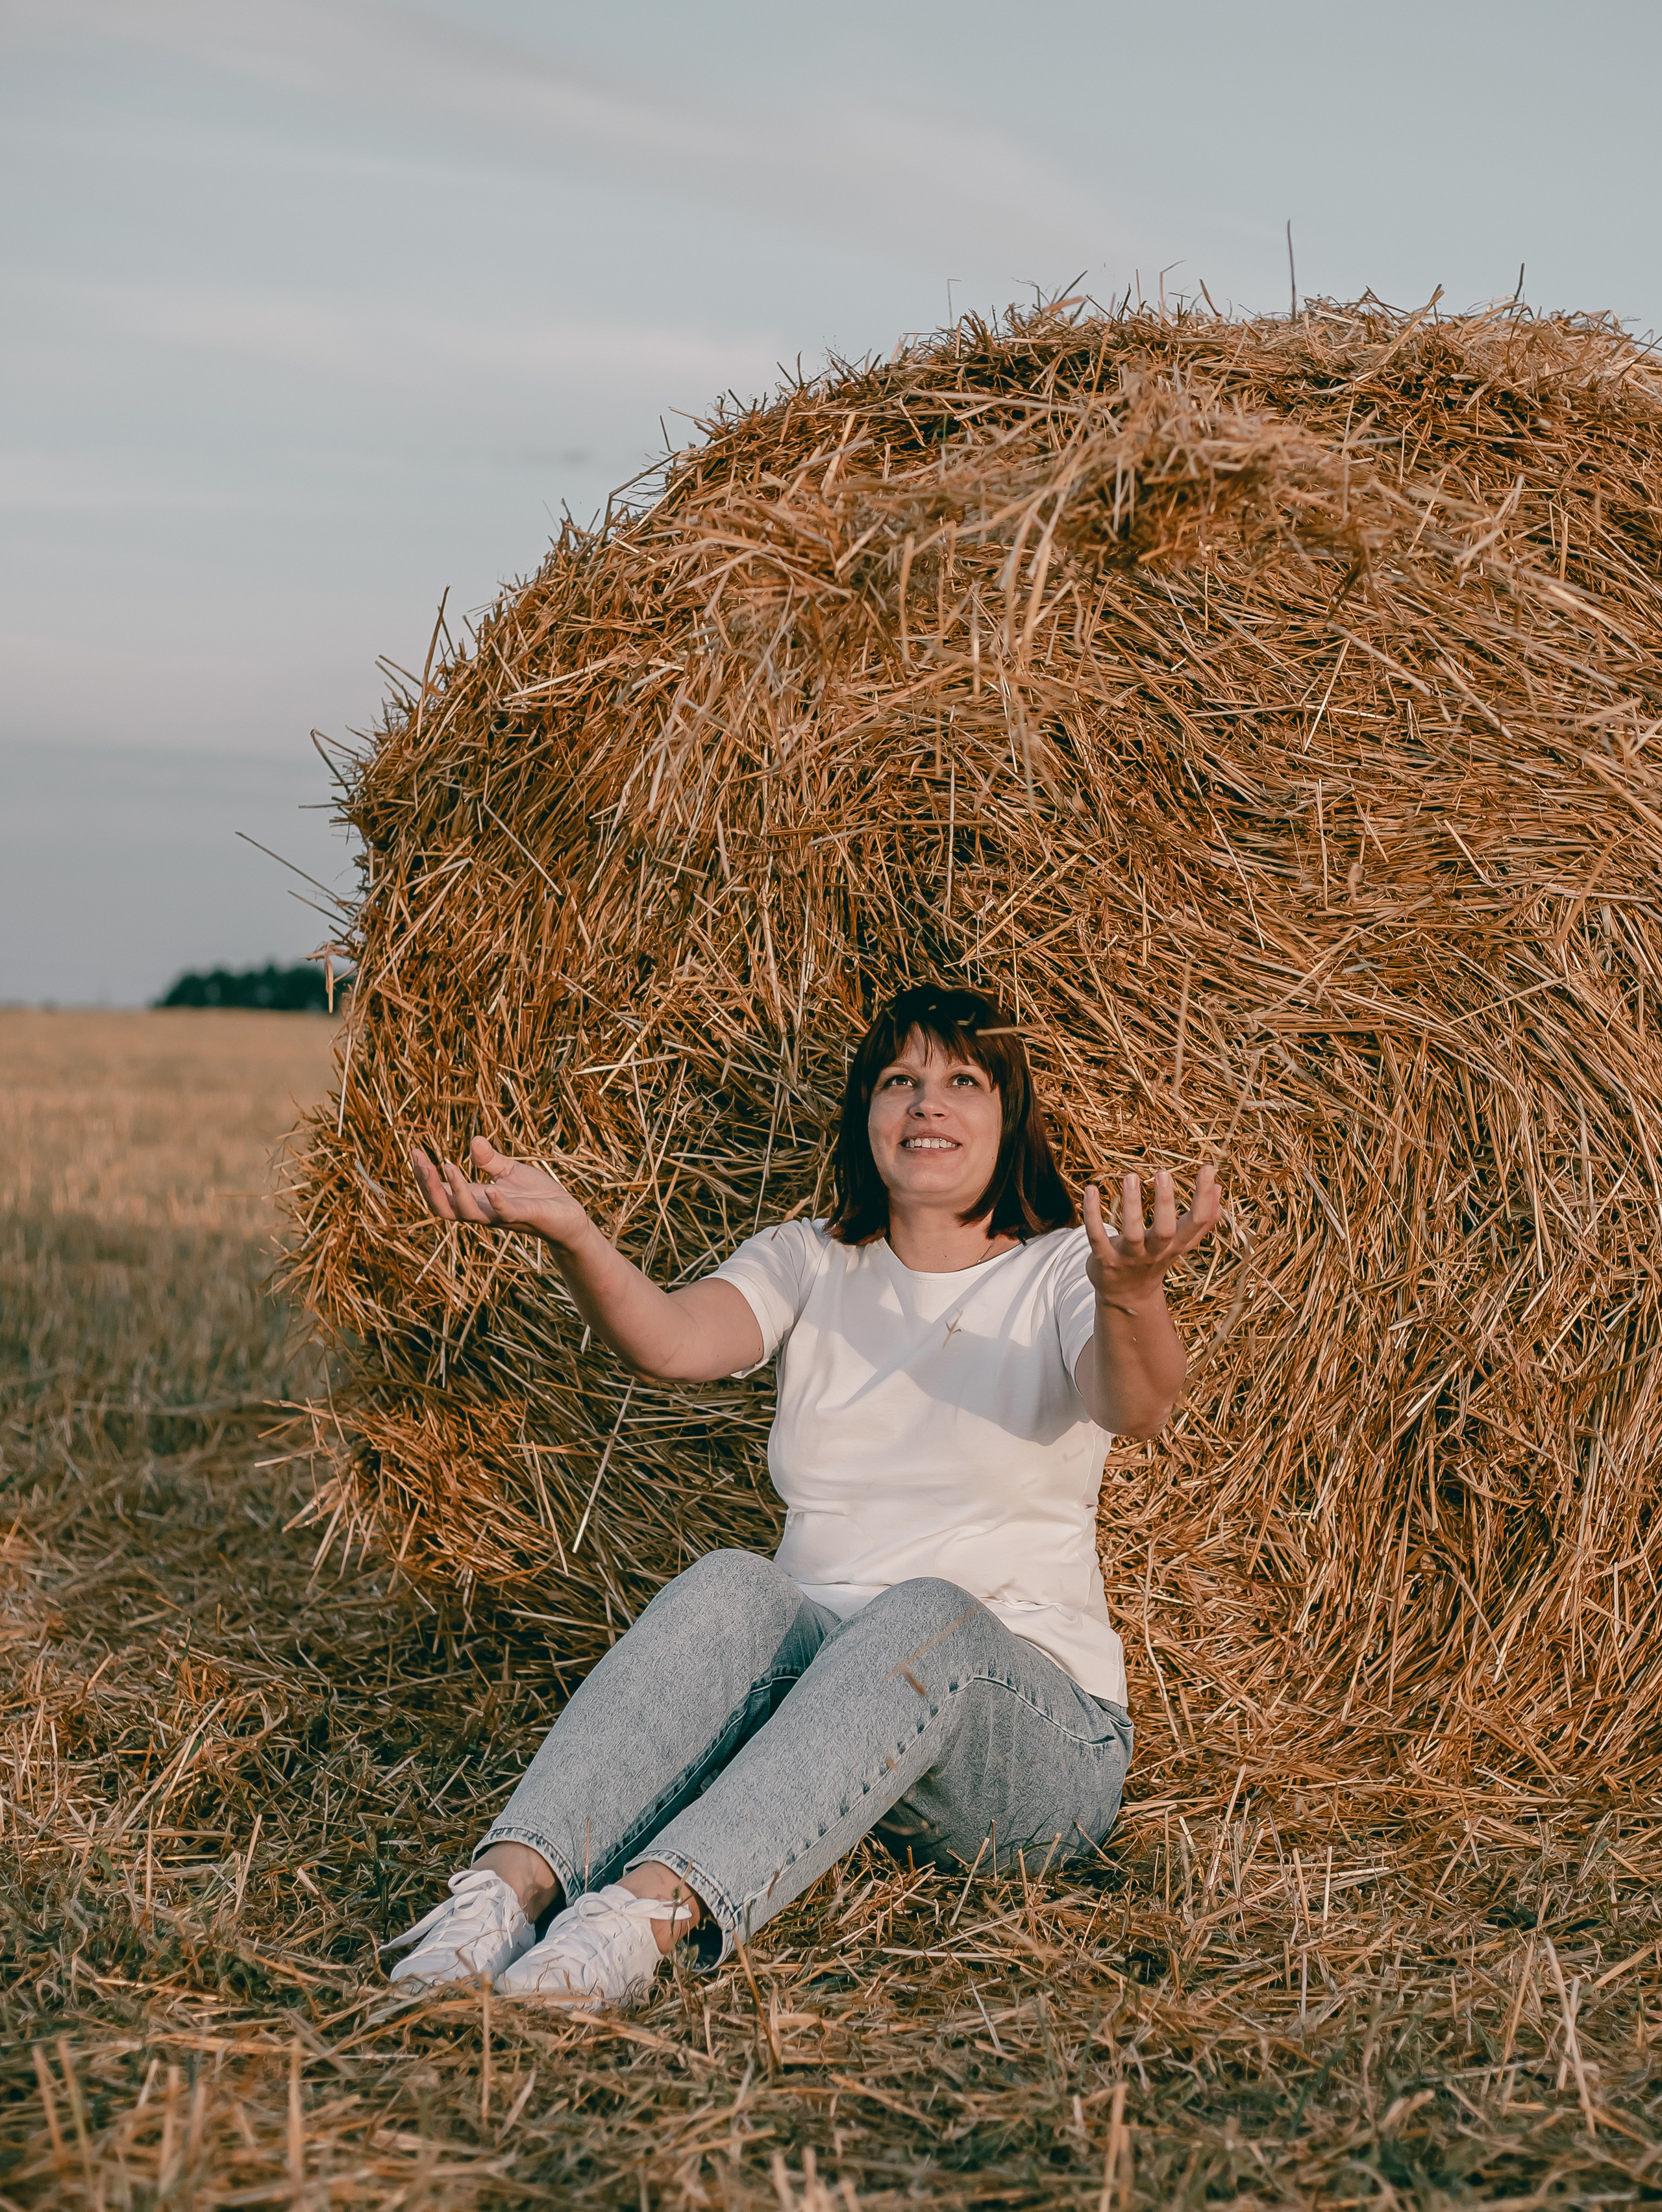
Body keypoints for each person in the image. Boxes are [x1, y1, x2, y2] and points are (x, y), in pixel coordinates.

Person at [386, 984, 1221, 2006]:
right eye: (900, 1081)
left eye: (963, 1080)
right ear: (866, 1116)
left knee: (924, 1608)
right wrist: (575, 1235)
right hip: (824, 1723)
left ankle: (642, 1916)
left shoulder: (1056, 1274)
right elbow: (675, 1340)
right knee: (737, 1583)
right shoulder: (811, 1260)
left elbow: (1136, 1404)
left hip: (1028, 1746)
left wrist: (1131, 1291)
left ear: (1010, 1120)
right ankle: (501, 1898)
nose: (928, 1103)